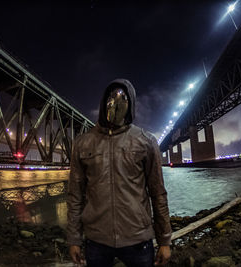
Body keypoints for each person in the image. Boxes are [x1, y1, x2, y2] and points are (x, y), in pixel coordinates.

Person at [67, 79, 172, 267]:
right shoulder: (83, 143)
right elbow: (75, 195)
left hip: (137, 240)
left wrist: (164, 240)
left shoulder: (145, 142)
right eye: (112, 96)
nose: (116, 102)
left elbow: (157, 193)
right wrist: (74, 239)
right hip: (97, 240)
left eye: (123, 98)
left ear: (130, 104)